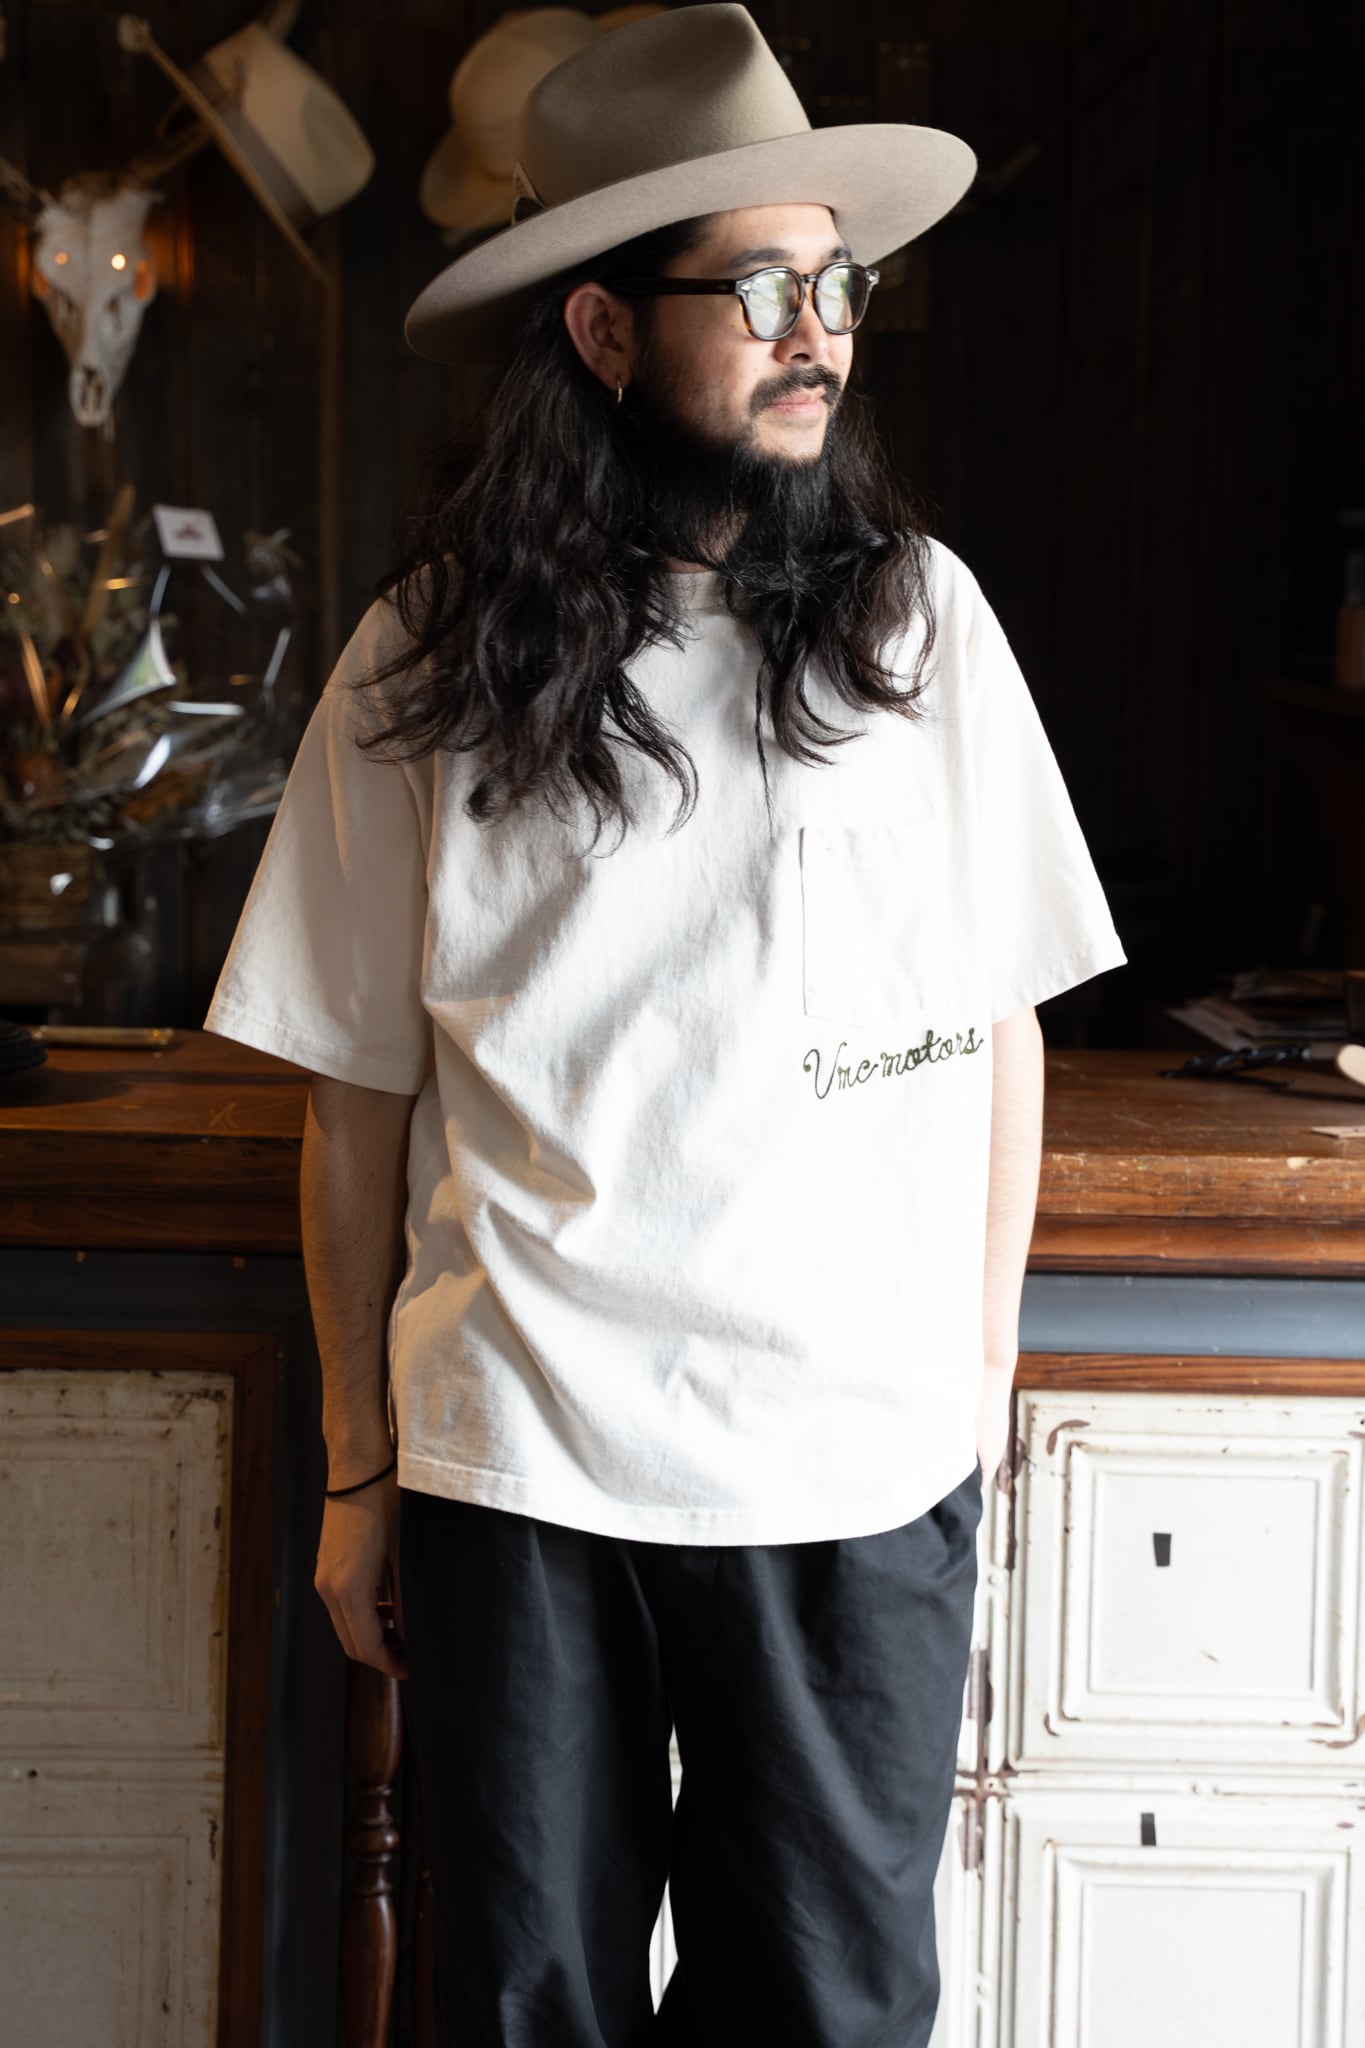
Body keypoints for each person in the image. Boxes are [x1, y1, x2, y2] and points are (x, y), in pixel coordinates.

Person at [205, 8, 1126, 2043]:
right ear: (606, 332)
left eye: (837, 285)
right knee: (518, 2003)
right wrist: (358, 1471)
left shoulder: (919, 623)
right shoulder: (423, 656)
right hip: (524, 1455)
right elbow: (353, 1099)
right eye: (761, 290)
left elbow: (1001, 1032)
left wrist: (970, 1384)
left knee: (830, 2009)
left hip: (856, 1462)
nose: (819, 334)